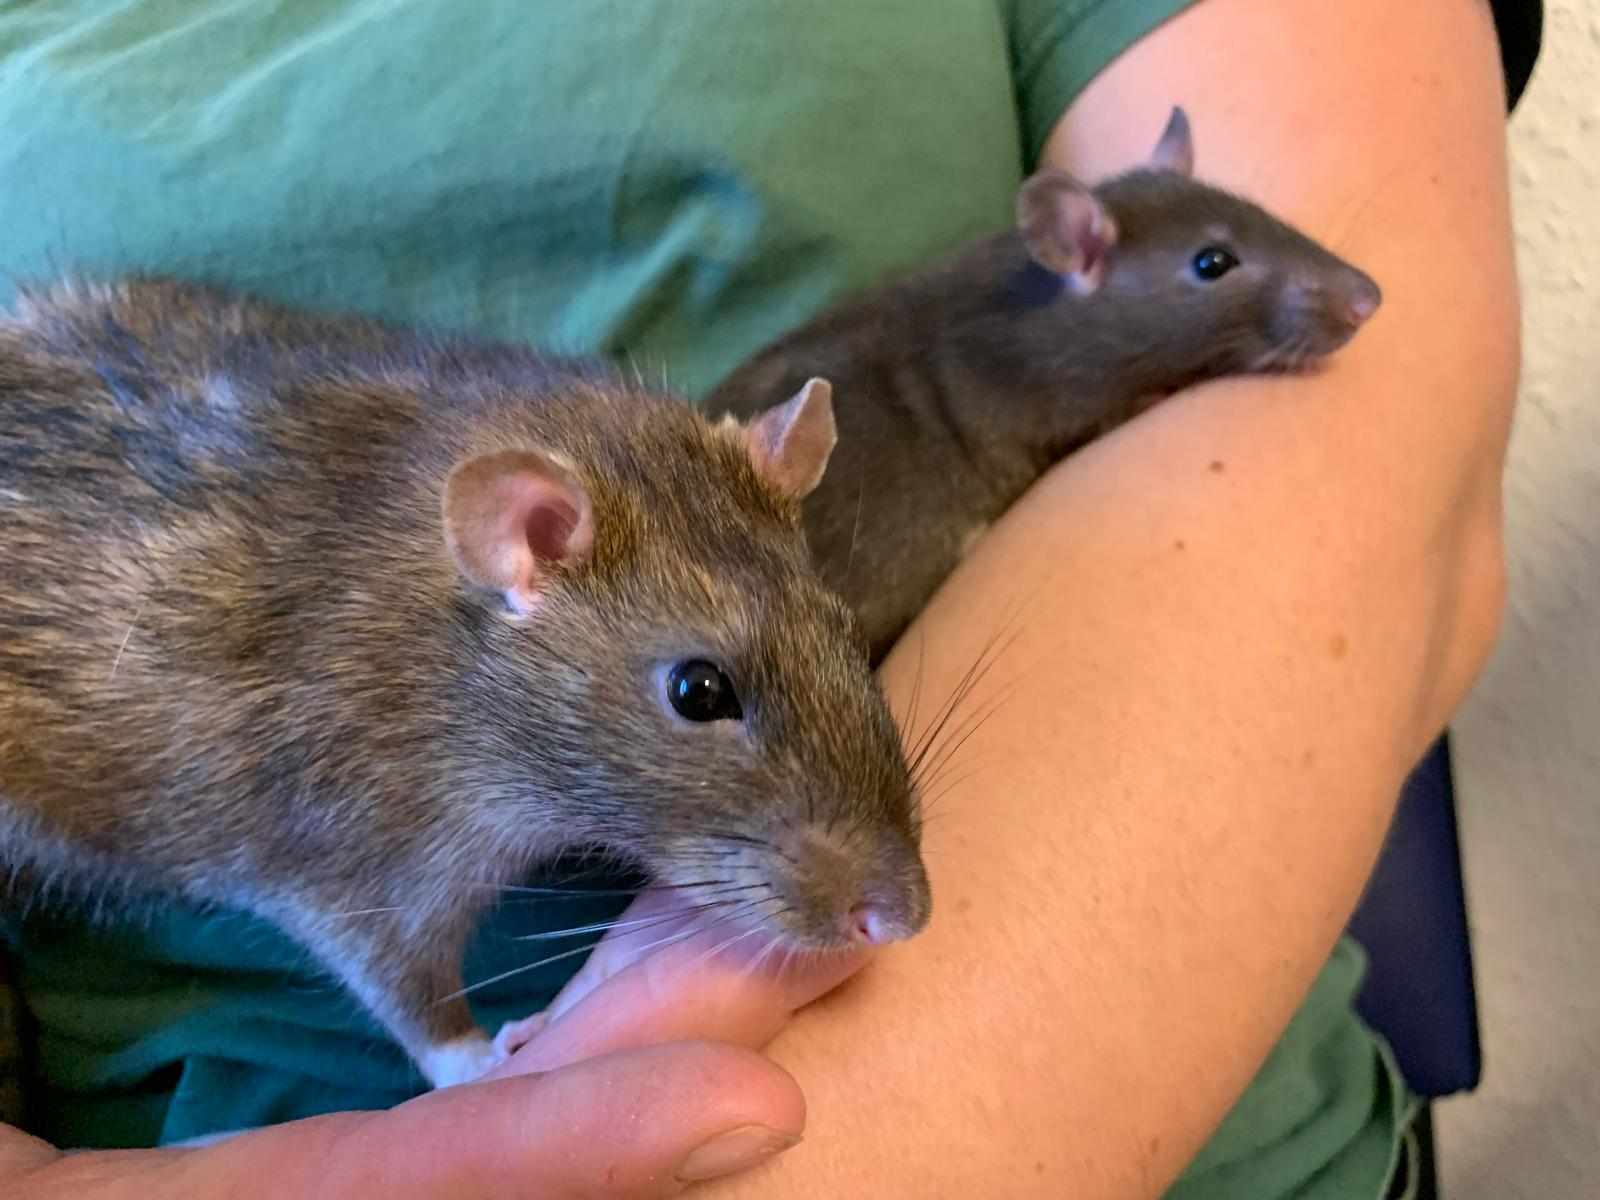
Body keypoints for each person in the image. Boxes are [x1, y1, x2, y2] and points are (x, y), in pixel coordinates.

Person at [0, 0, 1541, 1194]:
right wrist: (460, 1057)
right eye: (699, 701)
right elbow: (341, 864)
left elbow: (1394, 473)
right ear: (517, 549)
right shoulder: (426, 701)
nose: (891, 906)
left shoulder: (666, 502)